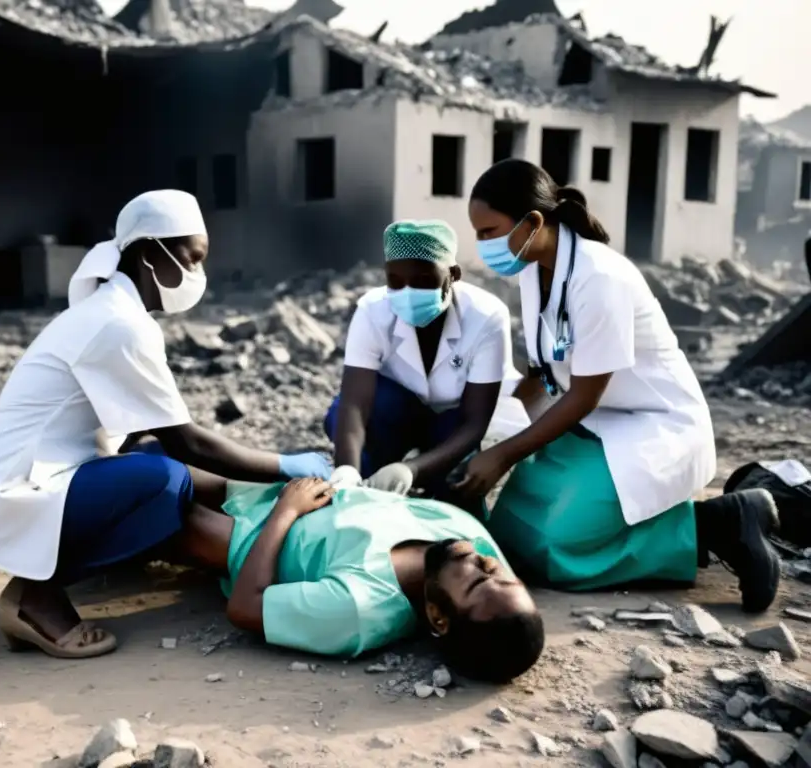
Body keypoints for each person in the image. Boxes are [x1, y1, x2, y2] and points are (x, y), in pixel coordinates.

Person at [0, 190, 332, 659]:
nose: (197, 274)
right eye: (192, 259)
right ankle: (36, 594)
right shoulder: (118, 324)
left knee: (155, 465)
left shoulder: (115, 312)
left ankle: (119, 552)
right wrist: (284, 466)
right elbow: (188, 441)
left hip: (30, 475)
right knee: (163, 479)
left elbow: (137, 432)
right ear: (152, 254)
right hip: (8, 492)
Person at [456, 159, 780, 613]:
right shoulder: (533, 270)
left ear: (531, 222)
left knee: (558, 548)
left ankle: (716, 524)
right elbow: (539, 372)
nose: (481, 245)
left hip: (651, 424)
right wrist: (485, 432)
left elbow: (585, 395)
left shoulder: (598, 276)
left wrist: (504, 454)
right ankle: (678, 520)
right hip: (591, 425)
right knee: (513, 539)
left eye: (489, 232)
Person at [173, 472, 544, 684]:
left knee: (154, 490)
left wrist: (287, 510)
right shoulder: (466, 535)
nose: (487, 563)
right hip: (287, 488)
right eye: (505, 576)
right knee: (159, 451)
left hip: (248, 535)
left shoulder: (359, 608)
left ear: (438, 617)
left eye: (478, 581)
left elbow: (245, 607)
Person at [325, 219, 516, 497]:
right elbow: (355, 402)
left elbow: (475, 422)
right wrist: (347, 470)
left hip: (453, 422)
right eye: (395, 281)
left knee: (455, 488)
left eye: (424, 281)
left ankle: (431, 479)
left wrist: (411, 470)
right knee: (348, 428)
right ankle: (370, 474)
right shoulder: (372, 311)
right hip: (397, 415)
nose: (408, 293)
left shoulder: (487, 317)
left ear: (453, 274)